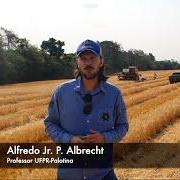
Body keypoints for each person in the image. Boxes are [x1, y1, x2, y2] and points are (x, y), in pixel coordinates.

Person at [44, 39, 129, 180]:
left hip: (103, 174)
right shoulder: (61, 92)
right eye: (83, 58)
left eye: (92, 58)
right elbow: (50, 124)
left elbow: (123, 126)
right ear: (78, 62)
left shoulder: (114, 94)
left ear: (101, 62)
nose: (88, 62)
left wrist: (104, 138)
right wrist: (69, 139)